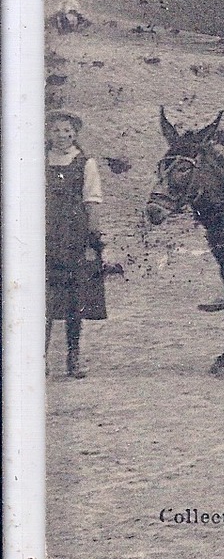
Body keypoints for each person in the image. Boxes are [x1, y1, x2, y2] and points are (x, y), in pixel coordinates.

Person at [46, 110, 106, 378]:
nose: (62, 135)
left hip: (73, 239)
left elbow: (91, 203)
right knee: (42, 301)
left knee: (74, 301)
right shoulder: (36, 161)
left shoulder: (86, 164)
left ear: (75, 133)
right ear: (49, 133)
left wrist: (92, 240)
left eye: (67, 130)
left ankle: (73, 358)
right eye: (57, 130)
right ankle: (40, 358)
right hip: (44, 238)